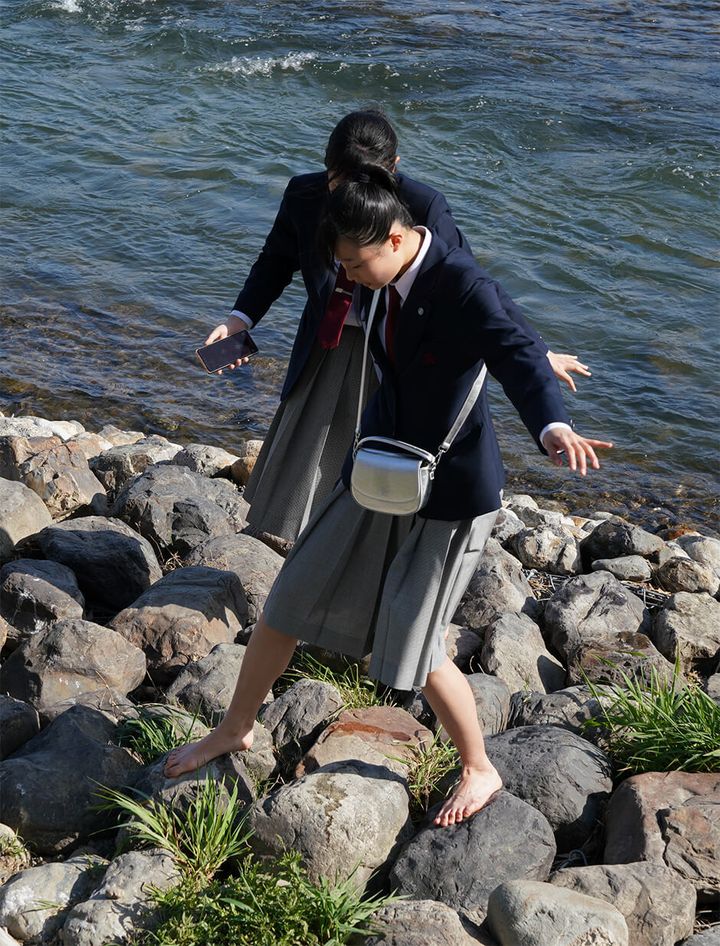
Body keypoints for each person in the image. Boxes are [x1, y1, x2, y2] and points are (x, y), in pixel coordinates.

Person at [167, 166, 612, 828]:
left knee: (414, 642)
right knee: (289, 598)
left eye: (354, 262)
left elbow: (515, 347)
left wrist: (551, 426)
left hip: (449, 491)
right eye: (341, 264)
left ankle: (479, 767)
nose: (345, 276)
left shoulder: (460, 283)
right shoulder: (376, 275)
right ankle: (235, 728)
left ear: (397, 239)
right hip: (377, 467)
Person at [206, 110, 591, 543]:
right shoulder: (303, 194)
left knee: (380, 451)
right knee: (305, 445)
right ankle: (288, 535)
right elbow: (274, 263)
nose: (349, 197)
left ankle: (361, 539)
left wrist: (538, 351)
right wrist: (238, 321)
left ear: (393, 168)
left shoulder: (421, 206)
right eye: (338, 183)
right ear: (326, 167)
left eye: (363, 183)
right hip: (327, 344)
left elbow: (477, 288)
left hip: (394, 346)